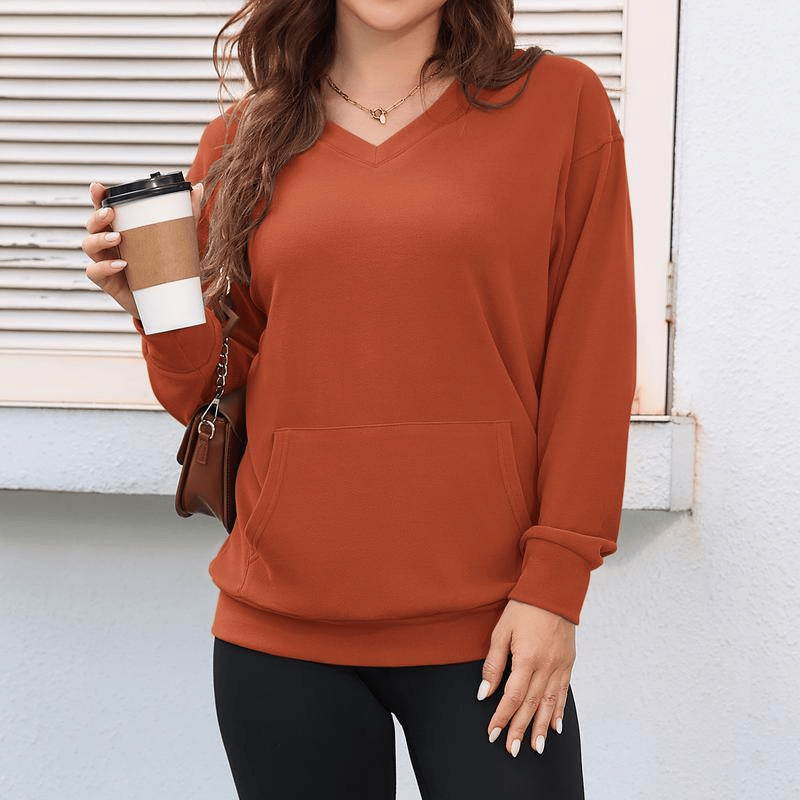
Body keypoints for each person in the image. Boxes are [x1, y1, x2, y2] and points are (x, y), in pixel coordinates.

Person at [82, 1, 637, 797]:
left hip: (492, 628)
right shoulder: (242, 139)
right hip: (279, 635)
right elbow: (219, 388)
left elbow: (593, 361)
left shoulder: (557, 104)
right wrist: (154, 309)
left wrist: (556, 588)